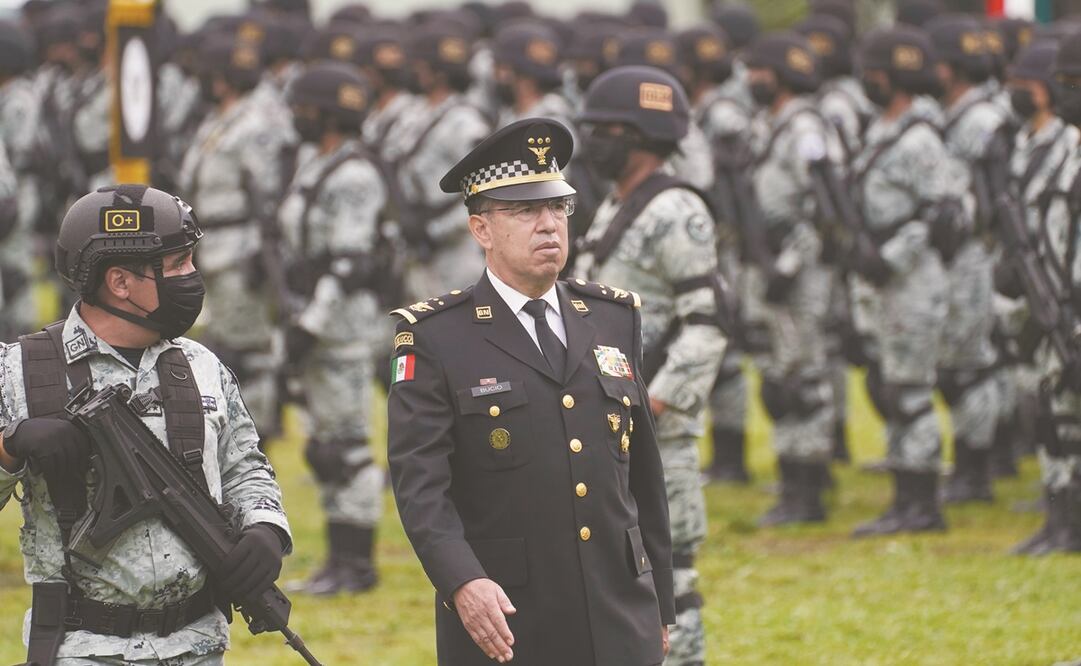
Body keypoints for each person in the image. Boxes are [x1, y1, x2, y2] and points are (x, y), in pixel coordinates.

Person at [388, 117, 675, 666]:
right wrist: (462, 582)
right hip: (510, 616)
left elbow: (643, 472)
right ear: (481, 229)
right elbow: (421, 486)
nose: (548, 225)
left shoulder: (614, 316)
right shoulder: (435, 337)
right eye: (524, 211)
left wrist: (660, 597)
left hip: (618, 606)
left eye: (558, 207)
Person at [0, 185, 292, 664]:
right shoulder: (21, 372)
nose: (192, 277)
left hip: (196, 645)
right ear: (119, 281)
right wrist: (9, 448)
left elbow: (245, 466)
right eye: (176, 265)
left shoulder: (202, 365)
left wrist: (265, 528)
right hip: (80, 649)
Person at [575, 65, 728, 666]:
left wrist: (657, 401)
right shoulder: (617, 205)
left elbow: (709, 322)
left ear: (637, 135)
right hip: (611, 427)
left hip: (656, 432)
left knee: (672, 579)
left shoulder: (675, 209)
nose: (591, 142)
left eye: (603, 130)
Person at [277, 62, 388, 595]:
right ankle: (335, 562)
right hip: (308, 315)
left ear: (326, 114)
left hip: (340, 326)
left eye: (303, 109)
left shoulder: (354, 176)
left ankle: (357, 564)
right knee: (322, 445)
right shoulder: (313, 163)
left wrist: (312, 322)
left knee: (347, 448)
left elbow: (348, 260)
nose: (295, 117)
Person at [850, 26, 953, 536]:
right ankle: (903, 497)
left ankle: (923, 503)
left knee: (912, 392)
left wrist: (889, 257)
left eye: (876, 74)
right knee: (892, 388)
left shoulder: (919, 138)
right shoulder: (880, 130)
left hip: (911, 279)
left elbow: (941, 211)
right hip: (884, 280)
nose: (868, 82)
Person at [746, 33, 844, 526]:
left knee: (804, 378)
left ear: (778, 75)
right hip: (772, 262)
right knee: (780, 375)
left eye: (757, 72)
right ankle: (792, 484)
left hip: (799, 271)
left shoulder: (804, 127)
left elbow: (822, 211)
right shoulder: (772, 126)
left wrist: (788, 265)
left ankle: (808, 492)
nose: (749, 81)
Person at [177, 34, 287, 443]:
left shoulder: (256, 124)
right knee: (226, 344)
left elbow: (270, 193)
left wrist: (265, 251)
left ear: (222, 79)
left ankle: (256, 438)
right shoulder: (218, 120)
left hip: (243, 249)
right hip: (214, 246)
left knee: (250, 351)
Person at [927, 14, 1007, 504]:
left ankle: (976, 470)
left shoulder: (980, 120)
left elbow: (995, 194)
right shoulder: (952, 114)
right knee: (956, 360)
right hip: (953, 254)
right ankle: (969, 461)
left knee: (972, 364)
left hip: (974, 255)